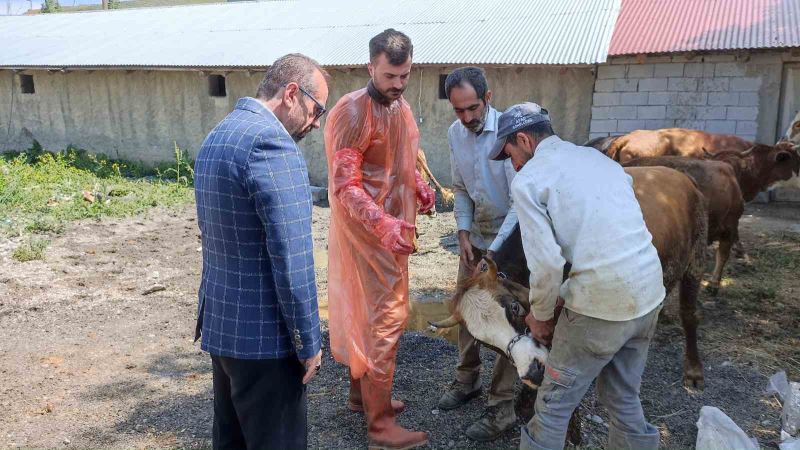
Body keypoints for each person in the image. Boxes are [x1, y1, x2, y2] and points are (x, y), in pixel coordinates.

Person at [488, 103, 665, 450]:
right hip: (648, 294)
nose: (514, 165)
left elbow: (548, 265)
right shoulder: (599, 161)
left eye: (510, 154)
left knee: (553, 407)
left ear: (523, 139)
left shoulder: (530, 179)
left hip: (600, 305)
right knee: (624, 399)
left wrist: (539, 317)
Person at [193, 53, 329, 450]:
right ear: (292, 93)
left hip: (223, 329)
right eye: (316, 108)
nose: (317, 122)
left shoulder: (219, 134)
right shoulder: (272, 146)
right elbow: (293, 259)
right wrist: (309, 342)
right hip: (267, 341)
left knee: (231, 441)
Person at [324, 29, 434, 450]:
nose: (398, 84)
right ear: (371, 66)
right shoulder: (354, 112)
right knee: (384, 323)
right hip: (370, 237)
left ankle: (364, 397)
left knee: (363, 316)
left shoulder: (400, 108)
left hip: (394, 234)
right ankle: (380, 426)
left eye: (405, 75)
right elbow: (345, 186)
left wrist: (418, 187)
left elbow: (403, 160)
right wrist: (384, 223)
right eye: (390, 75)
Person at [437, 66, 519, 442]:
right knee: (466, 312)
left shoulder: (511, 134)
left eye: (473, 108)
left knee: (506, 322)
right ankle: (466, 380)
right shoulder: (456, 134)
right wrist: (464, 233)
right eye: (459, 110)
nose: (467, 118)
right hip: (477, 240)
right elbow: (461, 189)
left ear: (488, 98)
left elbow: (521, 205)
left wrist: (495, 254)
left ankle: (502, 407)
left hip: (514, 244)